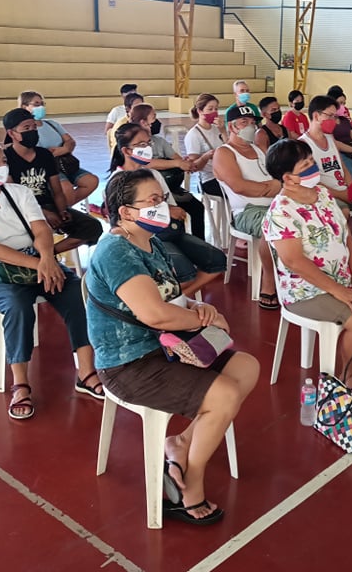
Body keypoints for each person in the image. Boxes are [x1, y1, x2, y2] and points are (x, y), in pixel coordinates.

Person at [86, 170, 259, 525]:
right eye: (151, 201)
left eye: (161, 199)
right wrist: (203, 321)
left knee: (246, 367)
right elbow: (154, 314)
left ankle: (181, 445)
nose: (161, 206)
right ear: (125, 212)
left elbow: (170, 296)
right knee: (224, 395)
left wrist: (196, 307)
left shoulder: (150, 241)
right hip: (129, 364)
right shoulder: (116, 251)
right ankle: (188, 486)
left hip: (168, 347)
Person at [0, 136, 103, 420]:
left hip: (35, 261)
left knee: (76, 293)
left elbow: (41, 230)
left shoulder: (18, 192)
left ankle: (85, 372)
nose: (1, 166)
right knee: (17, 304)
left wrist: (47, 259)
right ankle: (20, 382)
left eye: (3, 160)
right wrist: (39, 263)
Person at [264, 139, 352, 410]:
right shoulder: (281, 211)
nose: (313, 167)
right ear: (288, 177)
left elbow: (345, 235)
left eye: (312, 161)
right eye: (305, 165)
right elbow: (294, 261)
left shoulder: (322, 195)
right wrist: (339, 291)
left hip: (341, 279)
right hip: (305, 290)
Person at [112, 123, 226, 298]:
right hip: (144, 238)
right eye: (141, 144)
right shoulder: (118, 181)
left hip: (168, 231)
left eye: (149, 143)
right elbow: (119, 223)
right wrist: (164, 209)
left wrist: (166, 208)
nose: (148, 148)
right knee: (186, 275)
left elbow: (172, 207)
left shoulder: (154, 174)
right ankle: (170, 304)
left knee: (217, 261)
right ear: (127, 151)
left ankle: (175, 301)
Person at [2, 108, 103, 254]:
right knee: (36, 230)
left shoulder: (44, 155)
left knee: (92, 227)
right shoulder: (6, 159)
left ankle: (45, 254)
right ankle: (40, 255)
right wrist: (42, 213)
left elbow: (57, 190)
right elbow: (13, 196)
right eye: (26, 128)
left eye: (34, 127)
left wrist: (62, 210)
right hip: (23, 211)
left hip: (49, 205)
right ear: (12, 133)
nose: (33, 131)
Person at [212, 104, 280, 310]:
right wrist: (271, 188)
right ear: (231, 127)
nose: (250, 126)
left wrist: (273, 187)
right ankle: (269, 283)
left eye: (252, 123)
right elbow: (239, 186)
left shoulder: (259, 150)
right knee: (276, 227)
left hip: (275, 204)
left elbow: (278, 177)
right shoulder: (225, 153)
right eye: (244, 123)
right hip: (247, 212)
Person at [127, 103, 205, 242]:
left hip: (171, 188)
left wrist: (184, 164)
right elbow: (146, 163)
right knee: (173, 217)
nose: (156, 122)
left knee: (197, 208)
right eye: (154, 117)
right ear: (143, 122)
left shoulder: (159, 141)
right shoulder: (134, 144)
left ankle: (199, 243)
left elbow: (178, 159)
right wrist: (175, 164)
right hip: (148, 195)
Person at [18, 90, 98, 206]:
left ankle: (62, 207)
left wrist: (64, 149)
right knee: (67, 188)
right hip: (46, 167)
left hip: (64, 164)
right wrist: (49, 154)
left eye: (42, 104)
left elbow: (70, 141)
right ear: (25, 107)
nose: (40, 107)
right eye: (36, 104)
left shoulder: (52, 124)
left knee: (91, 181)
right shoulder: (25, 130)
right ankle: (66, 213)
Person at [300, 95, 352, 211]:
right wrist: (341, 195)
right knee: (344, 211)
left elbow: (343, 168)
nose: (334, 121)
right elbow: (313, 182)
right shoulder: (303, 145)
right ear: (316, 116)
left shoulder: (331, 140)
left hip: (344, 191)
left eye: (335, 116)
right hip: (325, 196)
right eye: (330, 116)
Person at [183, 93, 225, 197]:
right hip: (209, 178)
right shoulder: (193, 134)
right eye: (210, 109)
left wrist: (223, 131)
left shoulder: (217, 129)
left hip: (224, 173)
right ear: (200, 111)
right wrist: (205, 157)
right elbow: (194, 166)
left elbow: (230, 148)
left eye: (216, 109)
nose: (214, 112)